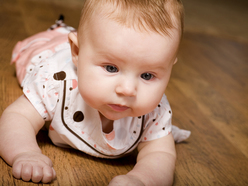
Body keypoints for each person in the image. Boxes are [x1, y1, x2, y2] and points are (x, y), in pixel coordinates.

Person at [0, 0, 190, 185]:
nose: (127, 89)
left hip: (90, 46)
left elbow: (160, 154)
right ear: (76, 51)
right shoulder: (55, 80)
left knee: (96, 39)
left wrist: (141, 179)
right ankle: (60, 32)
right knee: (43, 43)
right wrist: (25, 153)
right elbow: (17, 116)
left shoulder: (156, 110)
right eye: (111, 68)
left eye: (147, 75)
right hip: (48, 50)